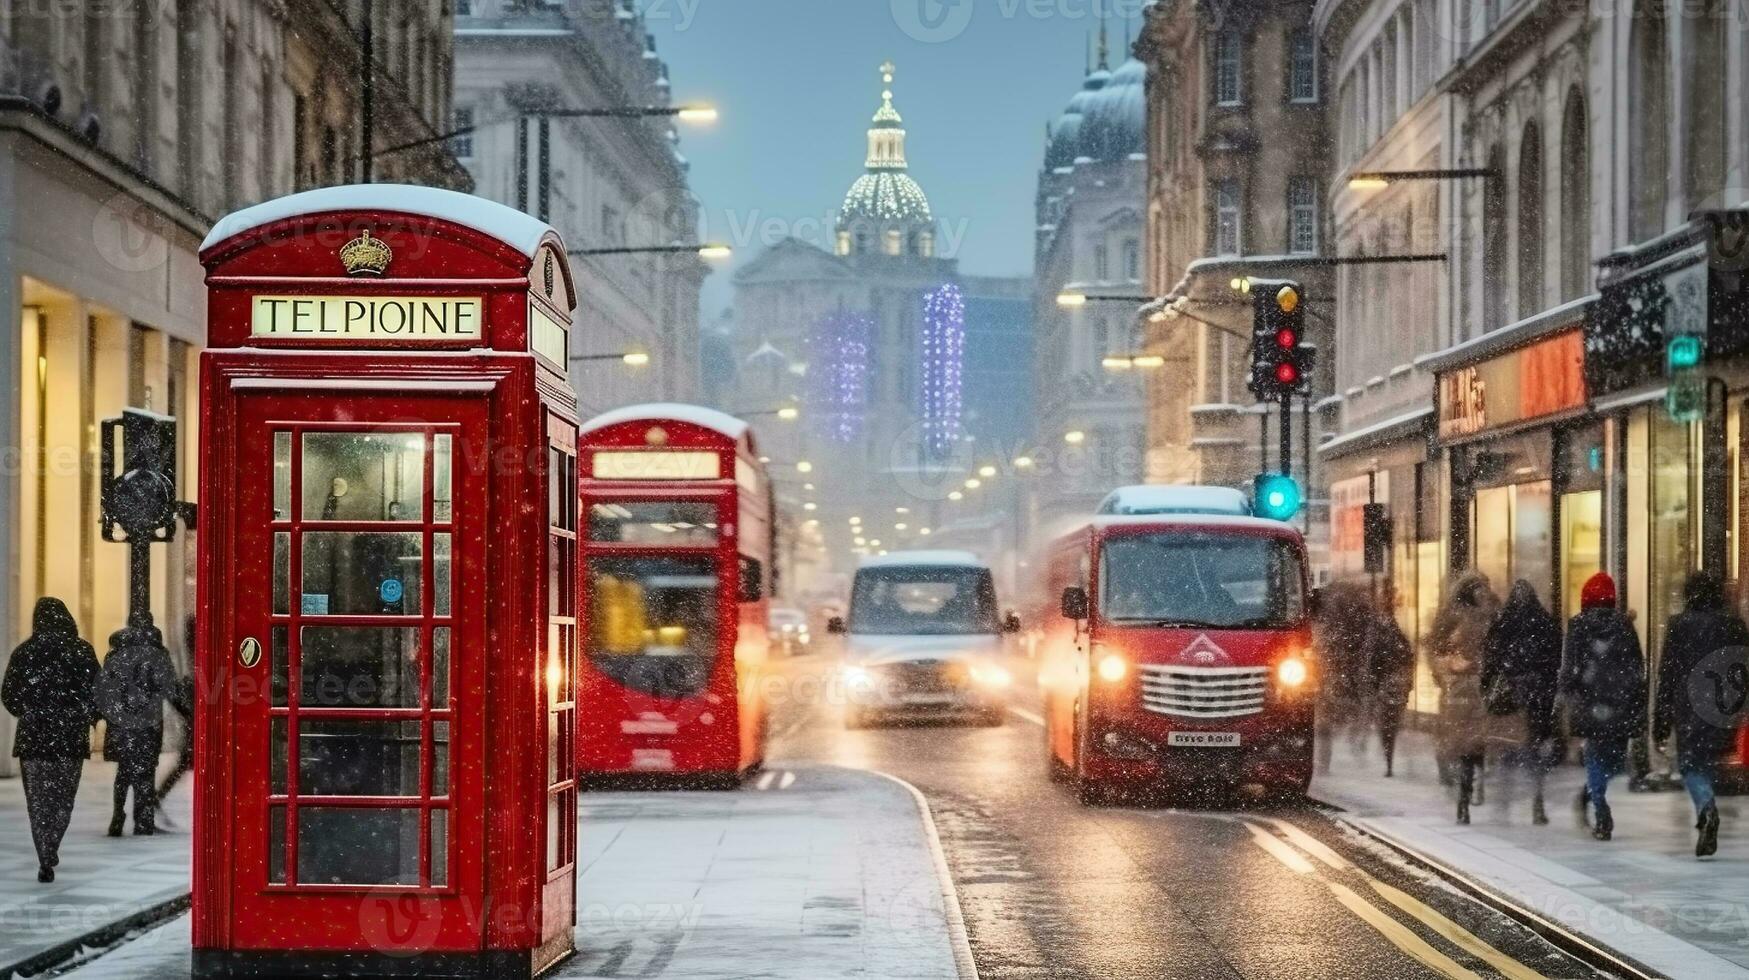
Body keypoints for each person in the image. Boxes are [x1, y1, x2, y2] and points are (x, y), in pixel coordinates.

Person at [1, 598, 99, 882]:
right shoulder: (81, 651)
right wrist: (85, 715)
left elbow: (9, 694)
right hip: (70, 736)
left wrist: (30, 712)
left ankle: (43, 850)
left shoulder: (25, 652)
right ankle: (53, 841)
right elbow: (98, 692)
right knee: (63, 797)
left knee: (38, 800)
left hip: (34, 738)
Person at [1654, 572, 1748, 858]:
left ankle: (1706, 807)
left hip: (1690, 703)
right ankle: (1706, 806)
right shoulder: (1732, 623)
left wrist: (1662, 717)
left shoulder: (1680, 625)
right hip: (1724, 703)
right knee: (1709, 758)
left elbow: (1667, 673)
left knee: (1692, 763)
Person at [1561, 571, 1646, 841]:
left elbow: (1569, 666)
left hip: (1591, 703)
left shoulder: (1577, 625)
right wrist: (1636, 696)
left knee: (1598, 755)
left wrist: (1567, 694)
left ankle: (1595, 800)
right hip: (1619, 703)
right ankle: (1597, 802)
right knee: (1613, 758)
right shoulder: (1624, 625)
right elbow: (1637, 665)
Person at [1481, 580, 1564, 825]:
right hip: (1537, 699)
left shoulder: (1503, 624)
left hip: (1511, 699)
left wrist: (1490, 689)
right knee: (1534, 753)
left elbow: (1491, 660)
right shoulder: (1545, 623)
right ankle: (1536, 801)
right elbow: (1555, 661)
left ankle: (1504, 804)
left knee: (1508, 751)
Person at [1429, 570, 1500, 824]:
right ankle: (1464, 790)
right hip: (1462, 690)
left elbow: (1496, 652)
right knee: (1463, 743)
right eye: (1478, 589)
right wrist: (1448, 673)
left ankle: (1467, 791)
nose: (1483, 593)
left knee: (1472, 743)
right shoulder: (1457, 617)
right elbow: (1437, 651)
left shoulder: (1490, 615)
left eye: (1484, 588)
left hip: (1477, 690)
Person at [96, 623, 179, 836]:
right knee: (145, 774)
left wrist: (105, 716)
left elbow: (102, 693)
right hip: (147, 725)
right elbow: (171, 690)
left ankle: (118, 814)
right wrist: (188, 711)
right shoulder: (156, 659)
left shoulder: (115, 658)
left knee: (123, 773)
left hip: (121, 725)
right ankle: (143, 819)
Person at [1311, 582, 1371, 774]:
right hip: (1325, 681)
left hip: (1324, 682)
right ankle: (1325, 760)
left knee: (1324, 724)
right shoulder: (1335, 629)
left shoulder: (1327, 629)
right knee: (1324, 724)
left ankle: (1324, 761)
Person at [1363, 589, 1415, 778]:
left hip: (1392, 681)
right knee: (1389, 723)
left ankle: (1392, 760)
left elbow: (1374, 656)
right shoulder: (1384, 627)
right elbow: (1374, 656)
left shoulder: (1392, 627)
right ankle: (1390, 760)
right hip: (1389, 681)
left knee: (1390, 723)